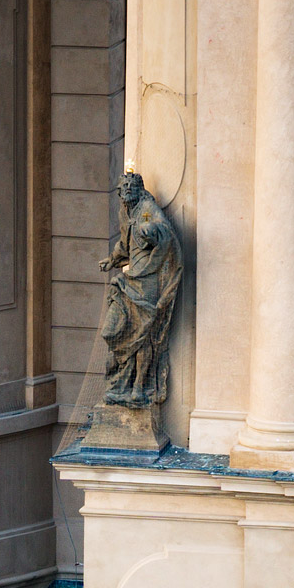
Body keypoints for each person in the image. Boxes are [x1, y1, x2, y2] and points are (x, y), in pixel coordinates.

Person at [99, 168, 184, 411]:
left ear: (139, 190)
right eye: (123, 188)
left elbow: (157, 226)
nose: (126, 192)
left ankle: (137, 387)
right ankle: (121, 382)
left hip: (147, 282)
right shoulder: (126, 210)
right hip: (130, 279)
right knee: (112, 330)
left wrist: (151, 231)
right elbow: (125, 242)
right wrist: (113, 259)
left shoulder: (146, 208)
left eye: (130, 188)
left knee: (141, 333)